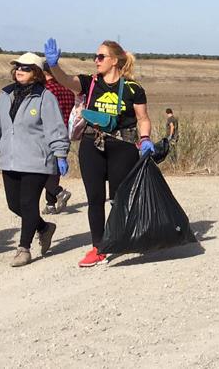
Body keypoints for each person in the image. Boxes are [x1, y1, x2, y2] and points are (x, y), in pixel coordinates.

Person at [43, 38, 154, 267]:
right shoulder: (89, 83)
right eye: (95, 57)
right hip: (91, 145)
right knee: (94, 199)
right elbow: (64, 80)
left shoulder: (133, 88)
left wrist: (145, 140)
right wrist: (54, 65)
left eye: (101, 57)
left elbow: (143, 118)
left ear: (114, 61)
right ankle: (98, 247)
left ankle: (120, 236)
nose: (96, 61)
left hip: (122, 147)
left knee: (118, 197)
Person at [0, 53, 69, 267]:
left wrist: (60, 154)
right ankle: (44, 228)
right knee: (14, 204)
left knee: (28, 203)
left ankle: (24, 248)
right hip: (10, 159)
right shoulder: (5, 94)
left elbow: (55, 128)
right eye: (18, 67)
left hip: (37, 159)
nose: (20, 70)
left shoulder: (45, 97)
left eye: (26, 68)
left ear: (36, 73)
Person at [41, 69, 76, 215]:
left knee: (40, 169)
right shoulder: (67, 90)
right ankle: (50, 204)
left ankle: (59, 192)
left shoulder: (45, 90)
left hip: (47, 133)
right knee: (54, 170)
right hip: (65, 132)